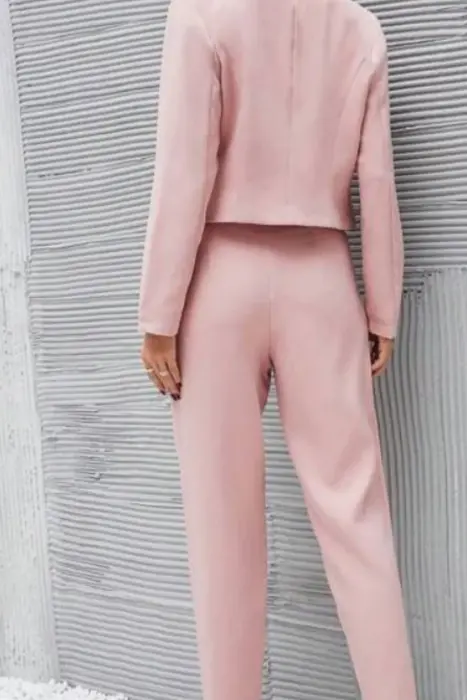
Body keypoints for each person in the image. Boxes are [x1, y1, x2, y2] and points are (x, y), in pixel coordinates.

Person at [138, 0, 418, 698]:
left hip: (217, 283)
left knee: (220, 525)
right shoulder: (358, 26)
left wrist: (158, 313)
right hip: (322, 281)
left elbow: (183, 168)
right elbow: (377, 179)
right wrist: (382, 304)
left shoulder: (199, 13)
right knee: (356, 517)